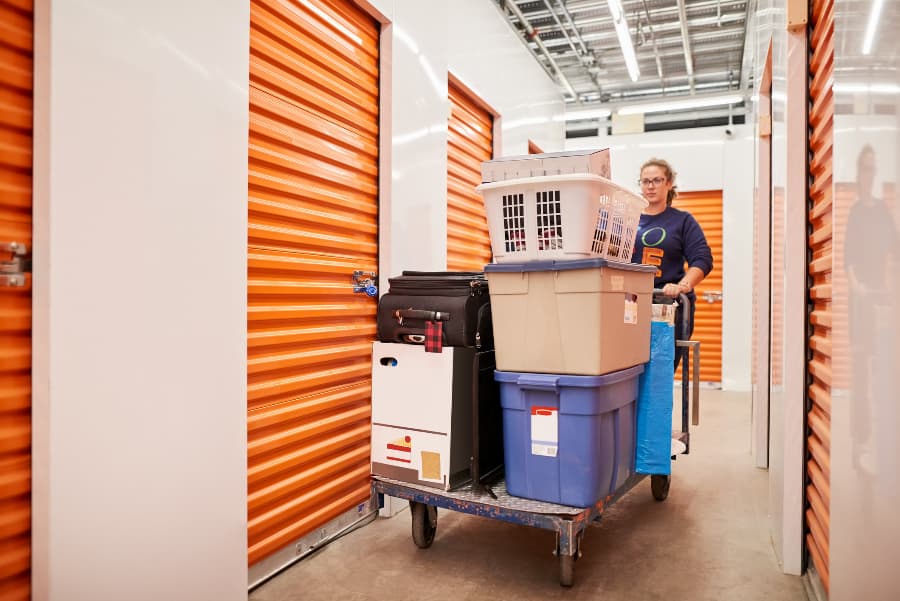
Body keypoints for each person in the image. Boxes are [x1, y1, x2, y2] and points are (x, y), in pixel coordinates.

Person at [630, 158, 713, 369]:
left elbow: (702, 258)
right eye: (645, 181)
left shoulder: (682, 221)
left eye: (657, 180)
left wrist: (683, 286)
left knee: (659, 373)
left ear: (669, 184)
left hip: (667, 306)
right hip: (632, 304)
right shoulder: (628, 220)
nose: (650, 186)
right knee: (629, 370)